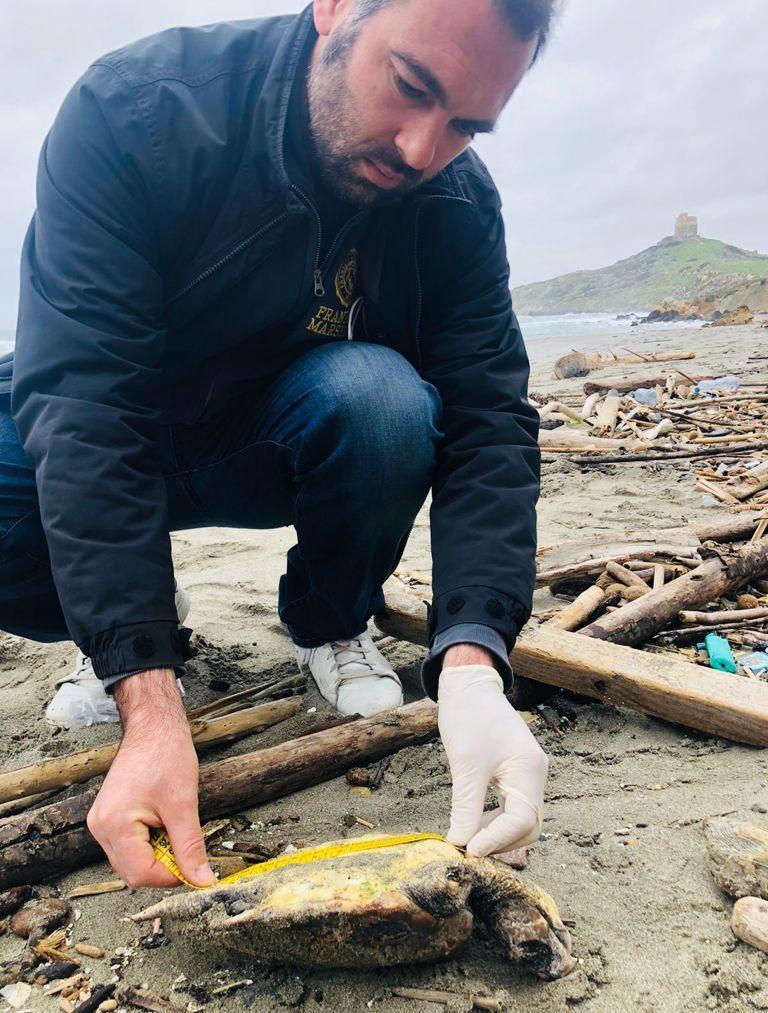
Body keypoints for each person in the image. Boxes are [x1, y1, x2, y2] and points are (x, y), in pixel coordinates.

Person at [0, 0, 550, 889]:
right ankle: (123, 632)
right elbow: (87, 400)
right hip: (124, 401)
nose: (421, 150)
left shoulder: (454, 201)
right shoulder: (136, 111)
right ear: (334, 9)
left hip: (286, 428)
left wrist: (476, 661)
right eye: (411, 86)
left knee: (384, 401)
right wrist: (146, 694)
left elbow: (490, 419)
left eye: (465, 125)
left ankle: (330, 624)